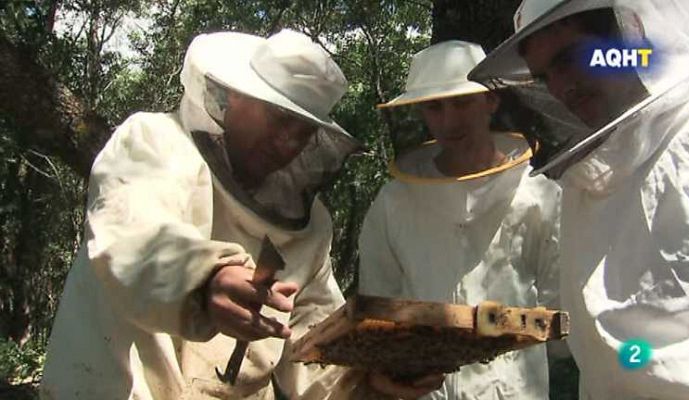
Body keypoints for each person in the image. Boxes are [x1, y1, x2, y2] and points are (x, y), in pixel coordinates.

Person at [40, 29, 443, 400]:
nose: (288, 142)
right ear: (232, 98)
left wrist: (362, 380)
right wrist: (206, 278)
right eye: (280, 117)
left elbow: (311, 336)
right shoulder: (154, 142)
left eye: (303, 130)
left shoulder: (311, 226)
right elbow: (134, 232)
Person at [469, 0, 689, 398]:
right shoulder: (584, 184)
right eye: (545, 76)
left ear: (630, 33)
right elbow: (599, 340)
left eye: (571, 58)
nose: (563, 88)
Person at [358, 40, 562, 400]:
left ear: (491, 101)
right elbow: (378, 310)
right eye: (435, 107)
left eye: (462, 102)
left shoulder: (537, 196)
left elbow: (561, 315)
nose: (450, 120)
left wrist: (498, 329)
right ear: (420, 113)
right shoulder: (393, 203)